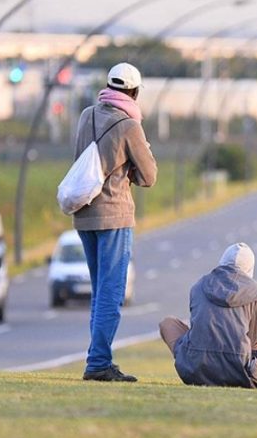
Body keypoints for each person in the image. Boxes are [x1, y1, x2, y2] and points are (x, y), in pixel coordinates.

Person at [74, 62, 157, 382]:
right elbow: (149, 176)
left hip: (84, 213)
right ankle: (98, 362)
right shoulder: (130, 126)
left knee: (99, 291)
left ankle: (97, 358)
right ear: (134, 92)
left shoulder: (86, 115)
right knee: (112, 292)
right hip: (114, 214)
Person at [159, 243, 257, 390]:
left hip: (194, 371)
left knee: (167, 323)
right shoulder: (256, 292)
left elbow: (197, 326)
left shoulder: (198, 285)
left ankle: (195, 362)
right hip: (239, 374)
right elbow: (252, 340)